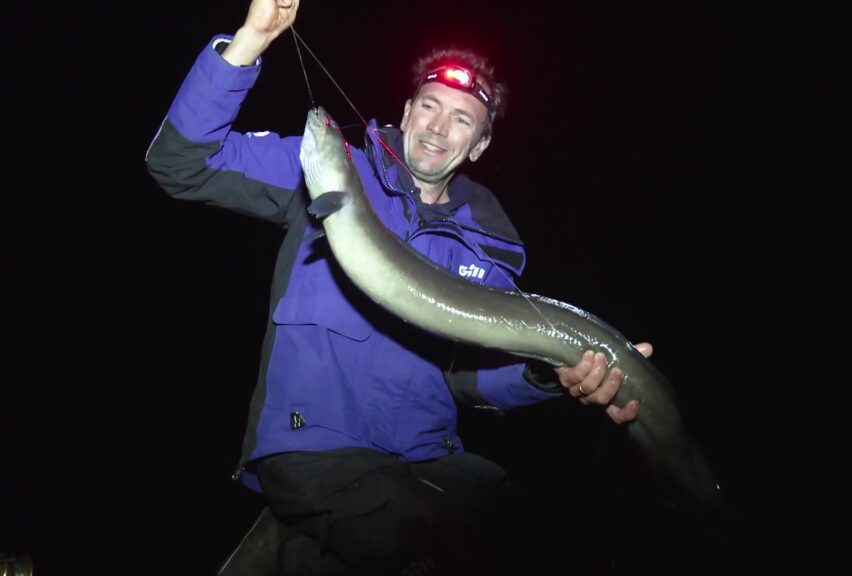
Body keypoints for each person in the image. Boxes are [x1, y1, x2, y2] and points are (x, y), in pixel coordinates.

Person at [146, 0, 653, 573]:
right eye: (430, 107)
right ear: (407, 111)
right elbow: (180, 162)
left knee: (531, 539)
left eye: (462, 119)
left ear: (480, 146)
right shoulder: (330, 171)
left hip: (426, 464)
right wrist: (251, 40)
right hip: (315, 450)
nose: (439, 126)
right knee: (432, 548)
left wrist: (546, 373)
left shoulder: (488, 251)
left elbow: (471, 377)